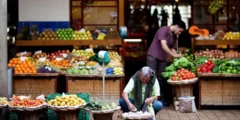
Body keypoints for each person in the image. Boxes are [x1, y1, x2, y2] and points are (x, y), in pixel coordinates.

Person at [147, 21, 186, 106]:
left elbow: (173, 48)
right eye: (179, 30)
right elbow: (163, 45)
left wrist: (178, 56)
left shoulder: (174, 36)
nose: (179, 33)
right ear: (176, 26)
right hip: (153, 56)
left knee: (161, 77)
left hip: (162, 58)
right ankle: (149, 99)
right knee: (152, 76)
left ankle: (160, 99)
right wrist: (174, 55)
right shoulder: (163, 30)